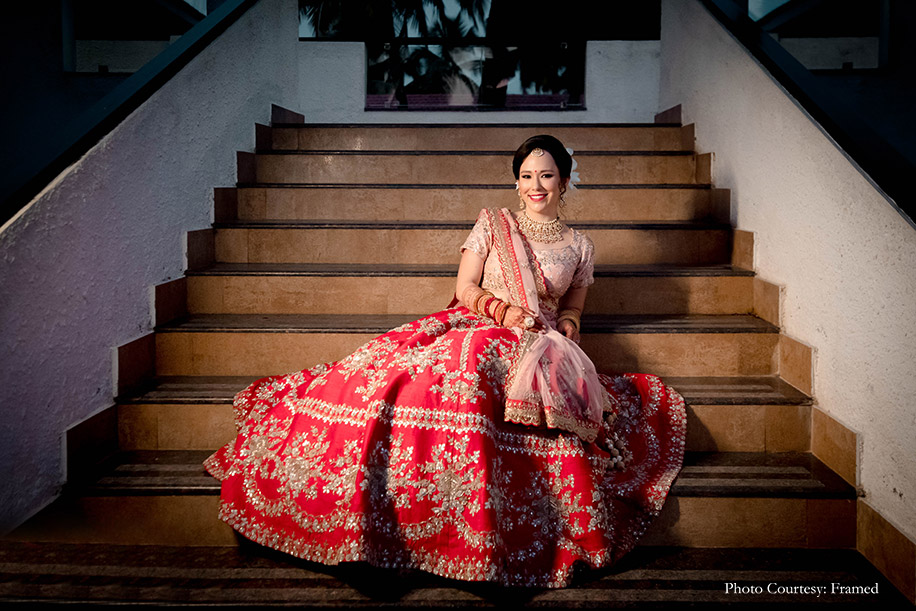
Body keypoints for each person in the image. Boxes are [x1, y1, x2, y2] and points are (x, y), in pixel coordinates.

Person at [204, 135, 686, 589]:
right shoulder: (493, 224)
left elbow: (573, 306)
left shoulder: (579, 246)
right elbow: (465, 288)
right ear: (516, 181)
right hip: (480, 323)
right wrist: (503, 312)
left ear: (564, 180)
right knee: (420, 373)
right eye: (526, 176)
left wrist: (568, 326)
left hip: (538, 343)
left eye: (545, 175)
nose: (535, 185)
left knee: (488, 376)